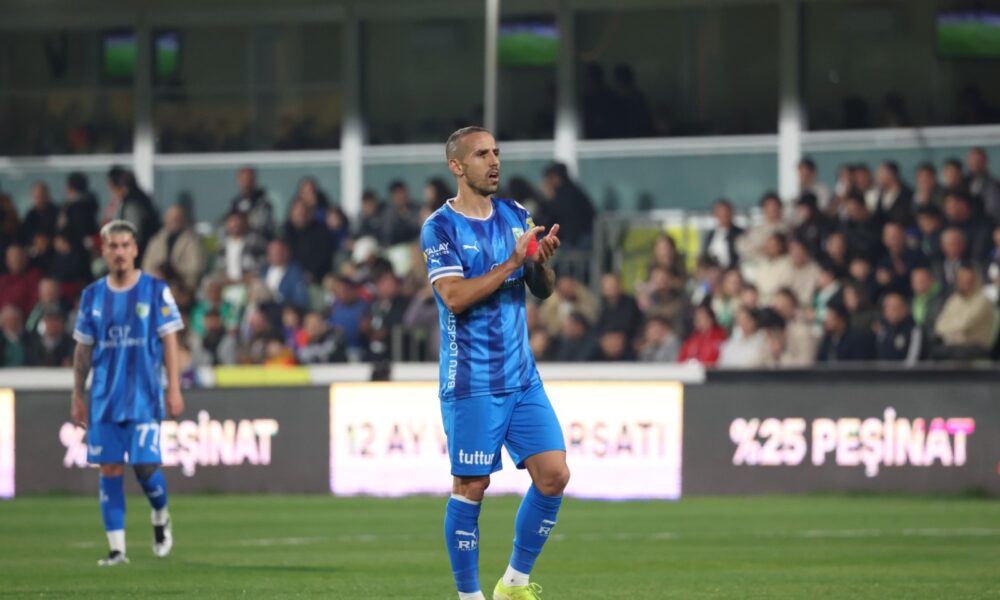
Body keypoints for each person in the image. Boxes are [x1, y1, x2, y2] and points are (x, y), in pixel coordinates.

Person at [420, 126, 569, 600]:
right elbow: (454, 297)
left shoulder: (516, 215)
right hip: (472, 380)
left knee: (554, 475)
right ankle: (469, 597)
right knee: (471, 486)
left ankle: (513, 584)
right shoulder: (439, 228)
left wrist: (539, 263)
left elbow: (541, 289)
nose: (494, 162)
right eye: (482, 154)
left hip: (522, 377)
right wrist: (511, 263)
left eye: (496, 152)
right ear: (457, 166)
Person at [70, 220, 185, 566]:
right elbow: (83, 349)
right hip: (104, 399)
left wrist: (174, 387)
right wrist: (77, 393)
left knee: (145, 468)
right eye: (113, 246)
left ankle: (160, 513)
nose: (119, 252)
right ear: (104, 250)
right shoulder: (92, 296)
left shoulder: (155, 289)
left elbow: (170, 340)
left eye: (124, 245)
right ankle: (117, 550)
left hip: (144, 397)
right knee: (109, 468)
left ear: (135, 249)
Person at [141, 205, 206, 291]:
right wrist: (156, 274)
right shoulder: (156, 241)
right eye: (171, 217)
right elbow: (146, 265)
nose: (174, 221)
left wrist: (175, 272)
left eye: (177, 218)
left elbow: (196, 268)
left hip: (182, 287)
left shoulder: (192, 241)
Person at [702, 198, 744, 269]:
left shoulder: (739, 234)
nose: (723, 217)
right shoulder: (710, 235)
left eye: (726, 214)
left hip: (732, 271)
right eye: (720, 214)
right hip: (712, 270)